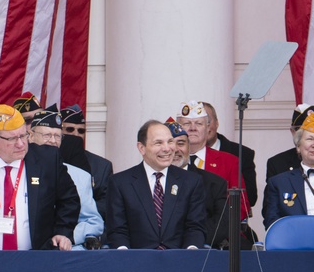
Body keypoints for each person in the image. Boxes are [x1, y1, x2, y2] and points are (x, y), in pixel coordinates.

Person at [0, 104, 80, 250]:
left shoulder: (47, 159)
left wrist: (62, 232)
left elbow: (69, 199)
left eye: (23, 136)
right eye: (12, 139)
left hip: (36, 256)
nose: (21, 144)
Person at [106, 120, 207, 249]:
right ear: (142, 148)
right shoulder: (120, 183)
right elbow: (117, 230)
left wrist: (190, 253)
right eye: (158, 143)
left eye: (170, 142)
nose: (167, 149)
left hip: (179, 262)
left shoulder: (191, 182)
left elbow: (195, 227)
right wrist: (125, 257)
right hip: (137, 263)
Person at [28, 107, 103, 247]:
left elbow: (93, 222)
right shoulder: (18, 170)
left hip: (63, 250)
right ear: (31, 136)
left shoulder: (80, 176)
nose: (53, 141)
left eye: (57, 136)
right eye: (46, 135)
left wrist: (64, 236)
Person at [177, 102, 249, 220]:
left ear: (208, 129)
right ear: (178, 129)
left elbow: (240, 206)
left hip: (217, 233)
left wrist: (212, 231)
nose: (193, 128)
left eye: (199, 124)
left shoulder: (229, 162)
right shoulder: (169, 161)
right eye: (186, 123)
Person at [169, 120, 229, 247]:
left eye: (181, 143)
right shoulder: (147, 181)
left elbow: (221, 225)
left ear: (189, 148)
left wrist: (192, 243)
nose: (175, 149)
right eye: (169, 143)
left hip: (200, 252)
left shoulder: (214, 183)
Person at [60, 104, 113, 222]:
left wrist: (81, 213)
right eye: (70, 129)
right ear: (59, 132)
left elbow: (106, 202)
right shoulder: (49, 161)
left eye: (81, 130)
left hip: (88, 228)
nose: (76, 134)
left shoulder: (102, 166)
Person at [204, 101, 258, 208]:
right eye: (197, 123)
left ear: (217, 123)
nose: (203, 127)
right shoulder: (180, 154)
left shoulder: (241, 153)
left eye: (207, 121)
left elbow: (250, 198)